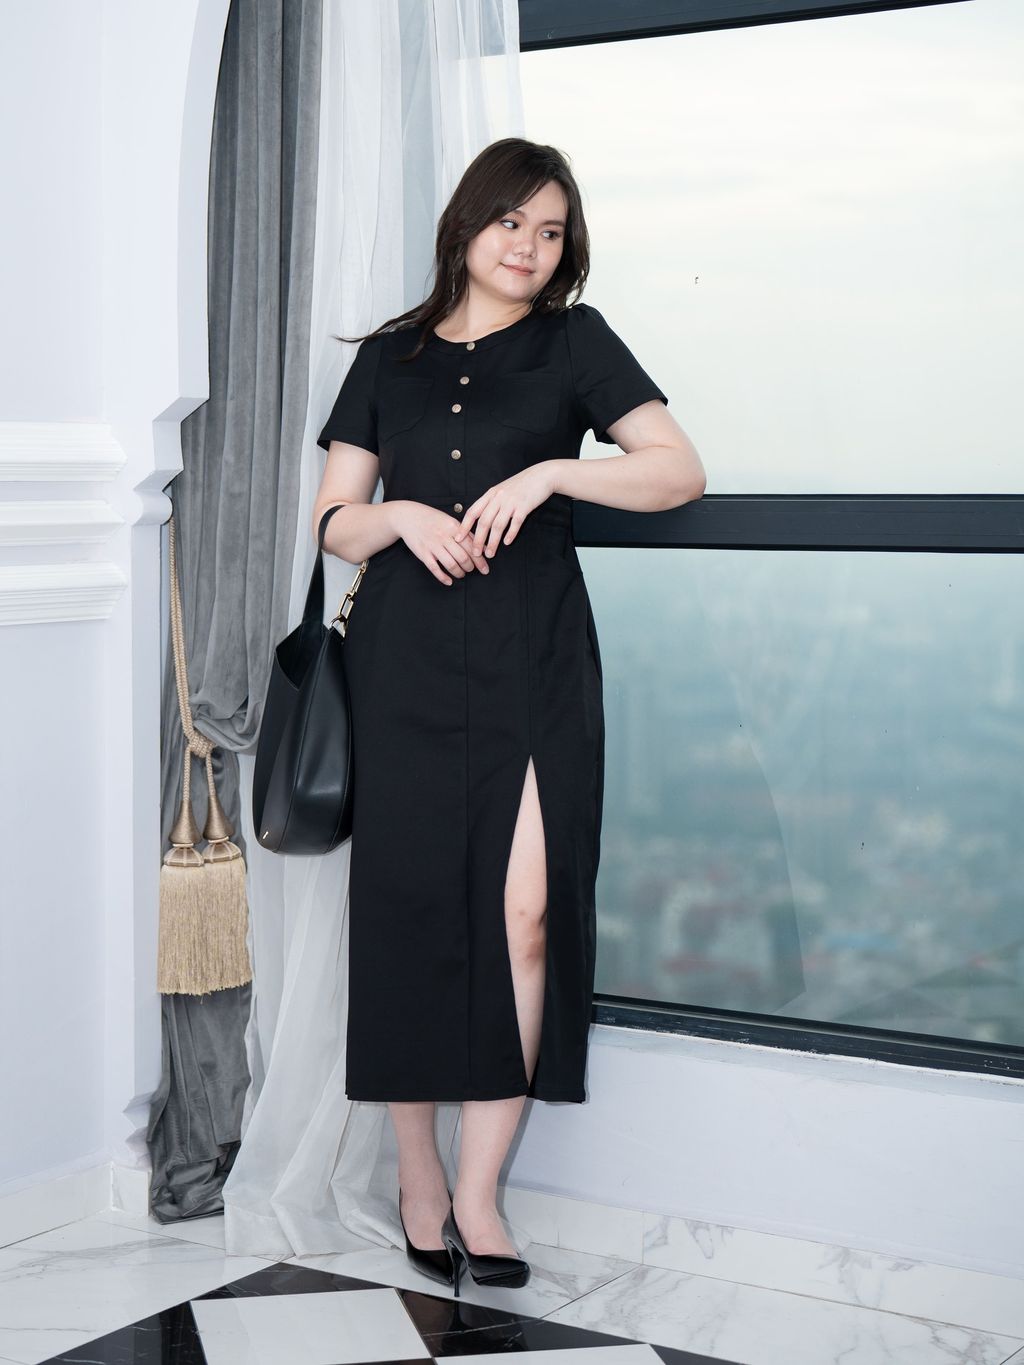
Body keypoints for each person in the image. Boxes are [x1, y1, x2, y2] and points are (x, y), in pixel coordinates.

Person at [312, 136, 705, 1296]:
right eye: (511, 224)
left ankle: (481, 1194)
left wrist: (554, 477)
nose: (530, 248)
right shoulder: (389, 358)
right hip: (405, 664)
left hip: (534, 659)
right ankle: (418, 1177)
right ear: (466, 227)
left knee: (525, 917)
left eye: (550, 231)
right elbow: (334, 516)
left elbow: (676, 470)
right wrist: (396, 521)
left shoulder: (576, 342)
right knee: (409, 917)